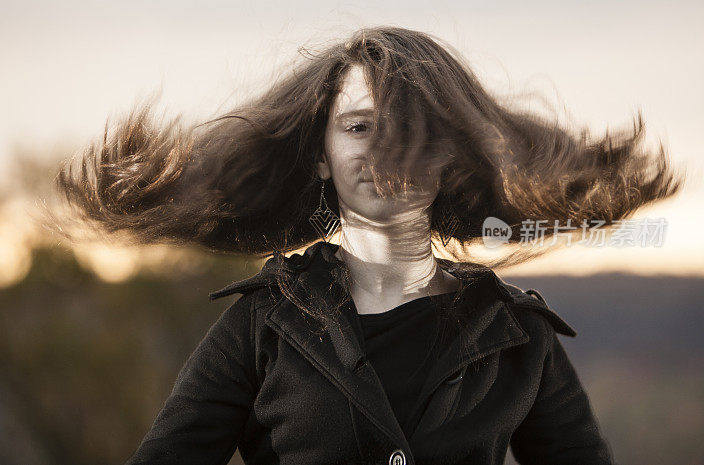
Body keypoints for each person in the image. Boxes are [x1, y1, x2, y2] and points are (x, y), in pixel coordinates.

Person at [52, 26, 684, 464]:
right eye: (358, 127)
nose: (385, 151)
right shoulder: (259, 327)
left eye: (412, 132)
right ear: (323, 157)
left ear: (450, 160)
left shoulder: (519, 336)